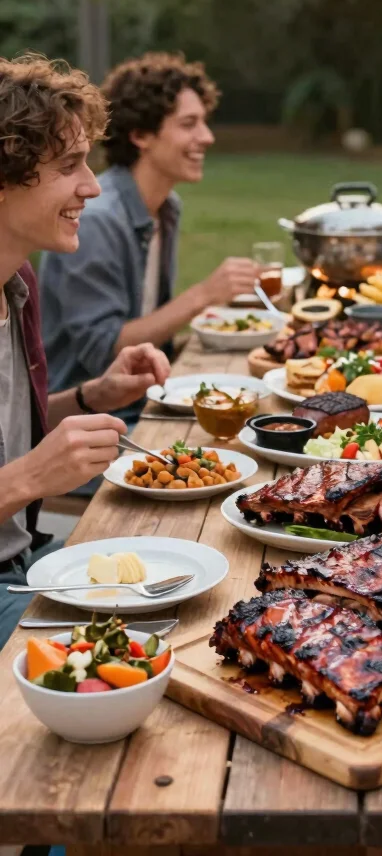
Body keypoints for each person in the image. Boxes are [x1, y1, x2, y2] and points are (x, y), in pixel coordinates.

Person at [0, 54, 170, 647]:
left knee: (190, 566)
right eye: (69, 165)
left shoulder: (18, 288)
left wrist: (94, 395)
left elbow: (15, 433)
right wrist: (28, 478)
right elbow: (21, 468)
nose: (92, 187)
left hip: (28, 561)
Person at [39, 52, 258, 425]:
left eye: (204, 122)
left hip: (147, 403)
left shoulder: (166, 207)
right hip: (96, 426)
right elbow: (104, 352)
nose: (206, 137)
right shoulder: (97, 219)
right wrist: (203, 295)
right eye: (189, 124)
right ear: (141, 134)